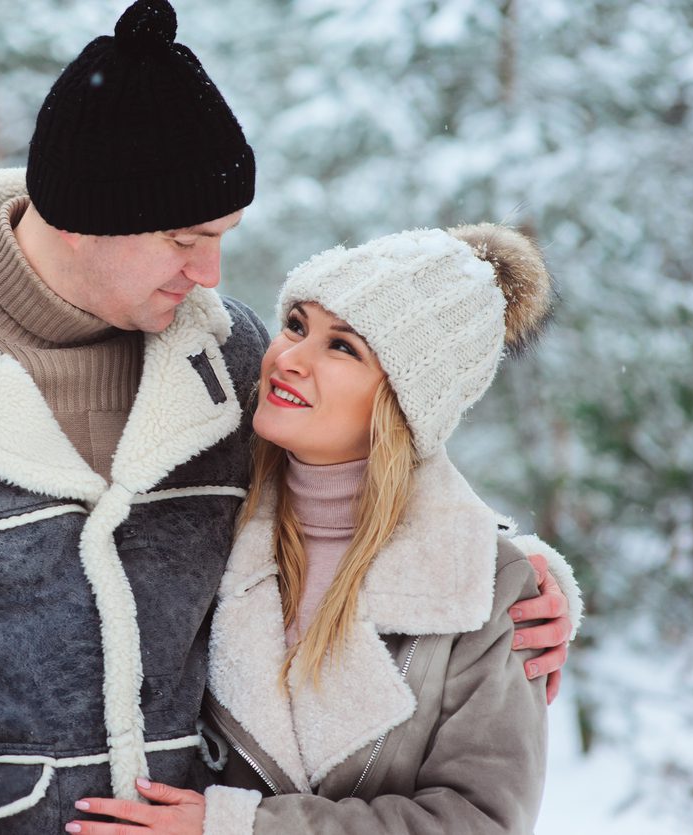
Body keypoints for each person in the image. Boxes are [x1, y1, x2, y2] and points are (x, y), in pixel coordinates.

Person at [0, 2, 576, 833]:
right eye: (185, 238)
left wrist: (513, 581)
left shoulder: (228, 359)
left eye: (224, 233)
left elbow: (357, 475)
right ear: (84, 218)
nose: (210, 271)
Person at [66, 224, 583, 835]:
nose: (289, 358)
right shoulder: (203, 513)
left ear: (405, 401)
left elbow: (479, 822)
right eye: (295, 324)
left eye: (342, 348)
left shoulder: (484, 590)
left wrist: (241, 828)